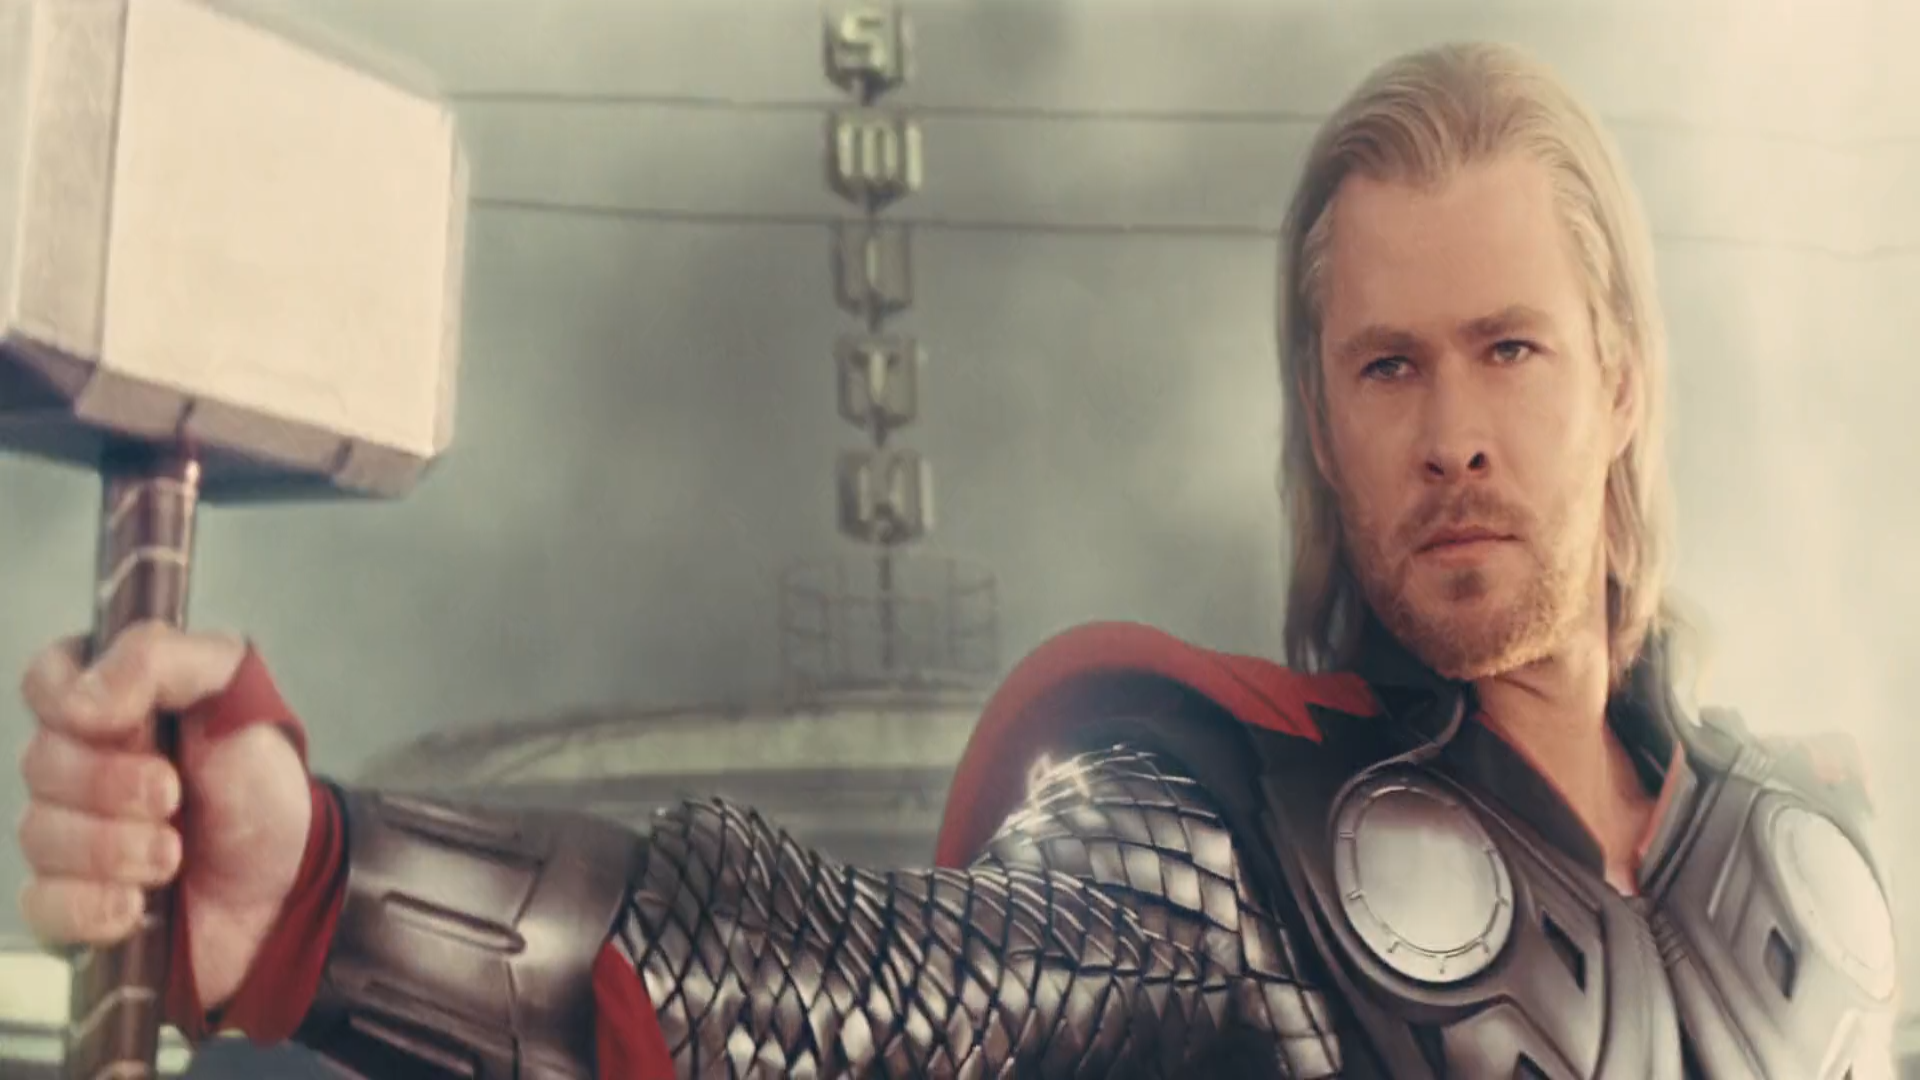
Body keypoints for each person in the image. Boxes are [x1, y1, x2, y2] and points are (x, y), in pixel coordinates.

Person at [13, 41, 1900, 1080]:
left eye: (1512, 349)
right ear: (1324, 430)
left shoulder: (1825, 854)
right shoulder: (1222, 855)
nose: (1454, 432)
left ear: (1622, 381)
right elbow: (833, 988)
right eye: (1387, 367)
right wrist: (323, 883)